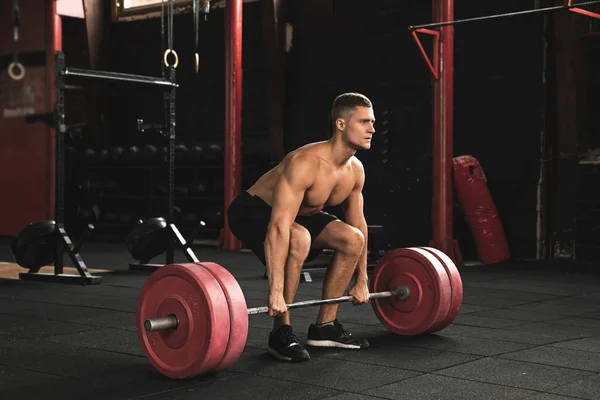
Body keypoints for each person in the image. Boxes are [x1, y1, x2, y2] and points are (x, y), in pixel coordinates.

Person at [227, 92, 375, 362]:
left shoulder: (355, 170)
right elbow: (279, 227)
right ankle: (280, 333)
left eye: (372, 122)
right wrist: (275, 291)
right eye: (364, 122)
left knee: (352, 238)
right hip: (253, 210)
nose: (372, 129)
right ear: (341, 124)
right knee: (299, 238)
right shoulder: (305, 163)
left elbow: (359, 225)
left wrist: (362, 279)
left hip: (300, 215)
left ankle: (325, 327)